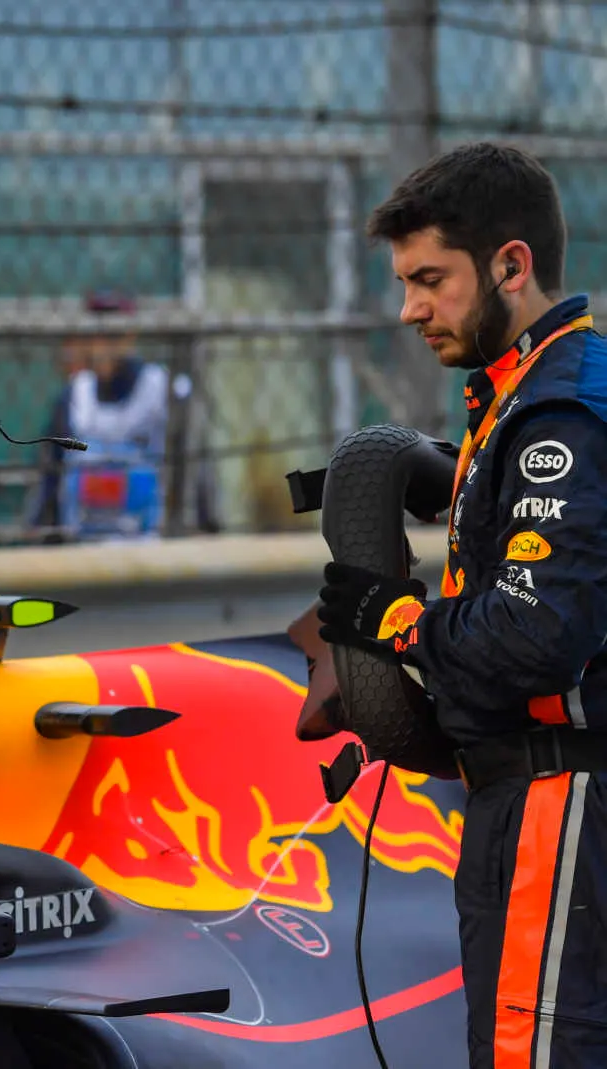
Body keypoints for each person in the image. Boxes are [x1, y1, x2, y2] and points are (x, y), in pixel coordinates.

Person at [317, 142, 607, 1069]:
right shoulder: (524, 396)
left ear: (511, 266)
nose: (409, 309)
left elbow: (535, 635)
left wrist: (388, 619)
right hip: (529, 799)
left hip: (558, 802)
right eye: (405, 283)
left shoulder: (558, 413)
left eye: (431, 280)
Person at [27, 290, 217, 542]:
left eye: (113, 334)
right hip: (82, 550)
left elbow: (200, 487)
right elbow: (49, 481)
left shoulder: (165, 392)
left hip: (150, 548)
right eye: (97, 334)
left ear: (130, 336)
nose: (103, 346)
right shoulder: (75, 396)